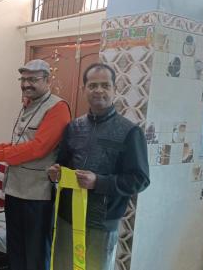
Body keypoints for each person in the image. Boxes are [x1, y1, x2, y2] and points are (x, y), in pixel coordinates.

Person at [47, 63, 150, 270]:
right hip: (68, 218)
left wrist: (99, 182)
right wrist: (55, 173)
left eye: (105, 85)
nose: (99, 90)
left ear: (114, 89)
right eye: (93, 85)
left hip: (101, 223)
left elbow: (140, 179)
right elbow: (62, 163)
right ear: (84, 89)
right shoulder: (74, 127)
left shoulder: (129, 132)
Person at [0, 59, 71, 270]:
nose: (27, 84)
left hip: (37, 195)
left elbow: (38, 148)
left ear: (47, 80)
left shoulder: (57, 108)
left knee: (35, 255)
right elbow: (19, 143)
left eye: (33, 79)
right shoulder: (29, 104)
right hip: (15, 191)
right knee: (16, 252)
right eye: (24, 79)